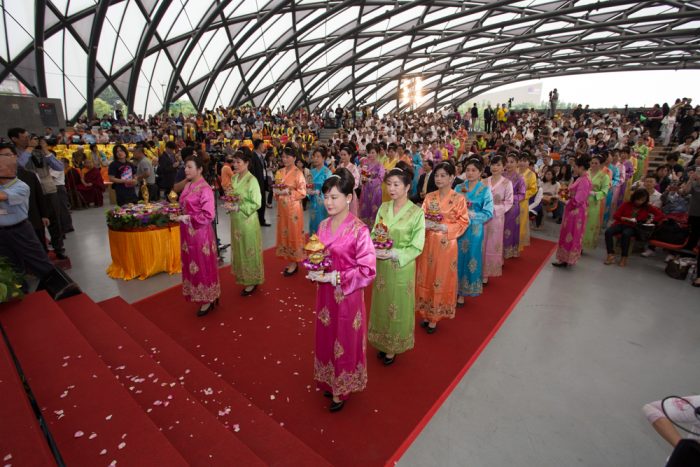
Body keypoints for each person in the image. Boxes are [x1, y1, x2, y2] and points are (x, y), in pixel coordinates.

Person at [307, 169, 376, 412]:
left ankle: (343, 386)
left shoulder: (360, 230)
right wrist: (315, 268)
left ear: (348, 198)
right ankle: (328, 376)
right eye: (326, 197)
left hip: (348, 295)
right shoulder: (323, 224)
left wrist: (336, 276)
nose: (328, 202)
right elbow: (318, 254)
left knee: (345, 338)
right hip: (325, 293)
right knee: (326, 333)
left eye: (334, 197)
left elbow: (368, 270)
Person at [368, 162, 425, 365]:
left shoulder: (417, 213)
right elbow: (376, 232)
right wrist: (375, 246)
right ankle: (381, 339)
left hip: (402, 266)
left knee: (398, 306)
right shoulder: (384, 207)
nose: (391, 189)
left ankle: (394, 345)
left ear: (408, 187)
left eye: (396, 185)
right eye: (389, 184)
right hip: (382, 264)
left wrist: (395, 253)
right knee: (382, 303)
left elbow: (417, 245)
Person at [416, 162, 469, 334]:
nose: (439, 179)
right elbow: (421, 217)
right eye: (437, 175)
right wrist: (424, 223)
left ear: (452, 178)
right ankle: (425, 313)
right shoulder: (429, 196)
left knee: (440, 277)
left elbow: (464, 221)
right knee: (426, 276)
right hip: (429, 241)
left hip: (446, 244)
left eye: (443, 176)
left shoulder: (459, 199)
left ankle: (435, 317)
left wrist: (446, 228)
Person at [0, 148, 55, 287]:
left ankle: (59, 287)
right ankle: (20, 291)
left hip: (20, 229)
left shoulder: (21, 186)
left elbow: (3, 197)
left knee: (39, 262)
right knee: (10, 265)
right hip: (2, 232)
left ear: (11, 170)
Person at [176, 156, 220, 316]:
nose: (186, 170)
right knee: (191, 263)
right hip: (187, 233)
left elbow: (209, 214)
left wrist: (188, 218)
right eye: (185, 167)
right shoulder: (188, 185)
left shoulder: (205, 188)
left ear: (199, 169)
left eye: (189, 167)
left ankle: (208, 297)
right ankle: (199, 294)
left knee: (202, 264)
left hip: (200, 233)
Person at [455, 159, 494, 305]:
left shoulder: (484, 190)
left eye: (474, 170)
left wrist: (472, 215)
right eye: (468, 170)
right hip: (458, 228)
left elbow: (489, 212)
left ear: (480, 173)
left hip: (474, 229)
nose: (470, 173)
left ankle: (463, 292)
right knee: (456, 257)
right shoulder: (459, 187)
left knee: (470, 257)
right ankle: (453, 288)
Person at [226, 150, 264, 296]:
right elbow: (232, 195)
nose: (235, 165)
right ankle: (242, 276)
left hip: (247, 220)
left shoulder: (252, 180)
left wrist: (239, 206)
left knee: (249, 248)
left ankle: (252, 279)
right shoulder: (234, 178)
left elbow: (256, 202)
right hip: (236, 220)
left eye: (238, 162)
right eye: (233, 162)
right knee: (239, 248)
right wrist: (230, 201)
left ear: (247, 163)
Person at [604, 188, 665, 267]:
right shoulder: (627, 204)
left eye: (642, 200)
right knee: (608, 232)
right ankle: (610, 254)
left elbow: (660, 215)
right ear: (634, 198)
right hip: (622, 223)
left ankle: (624, 257)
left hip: (635, 227)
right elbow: (616, 215)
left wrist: (651, 221)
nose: (640, 202)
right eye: (638, 199)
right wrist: (624, 218)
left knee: (626, 234)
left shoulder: (647, 207)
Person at [552, 157, 593, 267]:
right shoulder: (581, 178)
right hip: (573, 210)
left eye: (575, 166)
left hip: (576, 212)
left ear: (581, 167)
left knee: (572, 234)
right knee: (568, 233)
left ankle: (567, 258)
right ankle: (565, 258)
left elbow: (578, 199)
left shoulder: (584, 180)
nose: (573, 168)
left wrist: (565, 201)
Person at [274, 146, 307, 276]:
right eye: (283, 157)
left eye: (287, 157)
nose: (285, 159)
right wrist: (276, 191)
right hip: (282, 208)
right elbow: (276, 188)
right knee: (284, 232)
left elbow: (303, 192)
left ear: (294, 158)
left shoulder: (298, 173)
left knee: (293, 233)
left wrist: (289, 191)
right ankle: (289, 258)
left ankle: (294, 261)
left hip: (293, 208)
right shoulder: (280, 171)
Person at [483, 155, 514, 281]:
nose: (495, 167)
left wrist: (495, 209)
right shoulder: (484, 181)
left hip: (496, 218)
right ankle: (479, 270)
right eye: (493, 164)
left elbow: (509, 202)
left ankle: (487, 273)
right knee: (481, 242)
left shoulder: (507, 183)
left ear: (504, 167)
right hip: (483, 217)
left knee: (492, 243)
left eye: (498, 165)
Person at [582, 155, 611, 249]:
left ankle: (583, 245)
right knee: (580, 221)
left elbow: (605, 191)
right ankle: (576, 242)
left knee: (588, 223)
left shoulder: (604, 176)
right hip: (582, 200)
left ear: (600, 164)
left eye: (596, 163)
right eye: (592, 163)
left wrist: (594, 193)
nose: (593, 165)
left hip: (593, 202)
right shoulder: (586, 173)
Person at [503, 154, 526, 259]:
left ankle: (509, 251)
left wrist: (510, 198)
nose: (509, 164)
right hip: (500, 205)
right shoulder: (502, 175)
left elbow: (522, 194)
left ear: (517, 163)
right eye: (507, 161)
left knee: (510, 229)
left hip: (512, 207)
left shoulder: (520, 178)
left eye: (512, 162)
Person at [358, 144, 385, 226]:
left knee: (375, 211)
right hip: (366, 191)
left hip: (376, 192)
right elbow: (362, 178)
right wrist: (362, 179)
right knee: (365, 210)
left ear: (377, 153)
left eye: (373, 152)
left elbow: (380, 179)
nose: (371, 155)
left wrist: (369, 180)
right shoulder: (365, 164)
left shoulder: (380, 166)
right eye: (369, 152)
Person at [308, 147, 332, 234]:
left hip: (324, 203)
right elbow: (308, 185)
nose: (315, 159)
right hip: (313, 202)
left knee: (322, 223)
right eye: (314, 156)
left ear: (324, 158)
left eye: (318, 156)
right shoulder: (311, 172)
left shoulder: (327, 172)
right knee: (313, 223)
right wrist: (309, 191)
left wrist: (319, 192)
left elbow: (329, 189)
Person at [518, 154, 538, 251]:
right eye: (521, 160)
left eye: (525, 161)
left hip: (522, 202)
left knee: (520, 223)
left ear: (528, 163)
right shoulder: (514, 171)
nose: (522, 163)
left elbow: (533, 189)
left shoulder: (531, 174)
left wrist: (522, 195)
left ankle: (518, 246)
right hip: (511, 201)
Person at [250, 139, 270, 226]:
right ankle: (257, 220)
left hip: (262, 181)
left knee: (262, 201)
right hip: (257, 183)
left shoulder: (261, 156)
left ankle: (262, 220)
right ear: (258, 146)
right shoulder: (252, 156)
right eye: (263, 145)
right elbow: (252, 171)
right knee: (257, 202)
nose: (264, 147)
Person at [336, 145, 360, 216]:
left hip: (350, 194)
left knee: (350, 214)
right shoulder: (339, 167)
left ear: (350, 155)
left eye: (344, 155)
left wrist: (346, 187)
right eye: (341, 155)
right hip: (339, 192)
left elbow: (356, 181)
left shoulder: (353, 168)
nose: (342, 157)